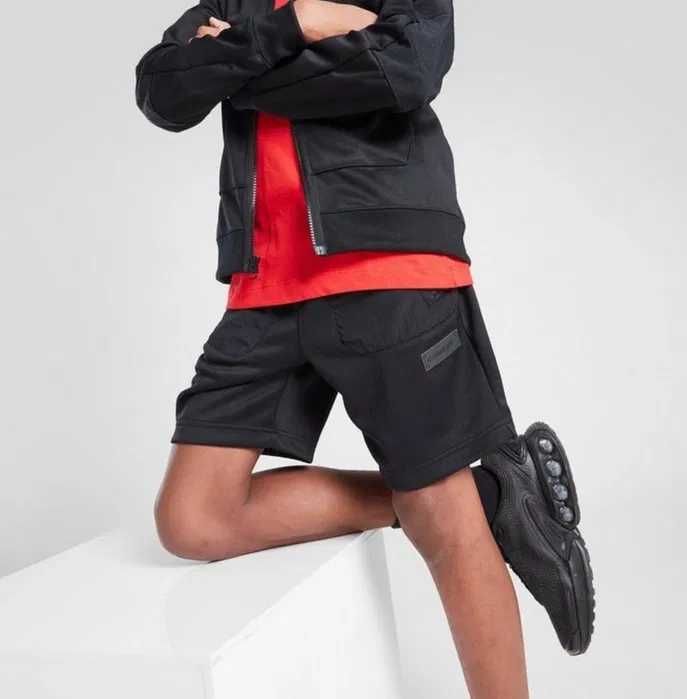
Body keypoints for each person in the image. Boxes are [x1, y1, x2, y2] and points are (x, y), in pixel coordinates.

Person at [135, 0, 595, 695]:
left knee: (441, 519)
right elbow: (163, 91)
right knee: (193, 518)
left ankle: (458, 507)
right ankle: (495, 492)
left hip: (388, 267)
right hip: (264, 284)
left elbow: (407, 69)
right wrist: (295, 25)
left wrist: (237, 65)